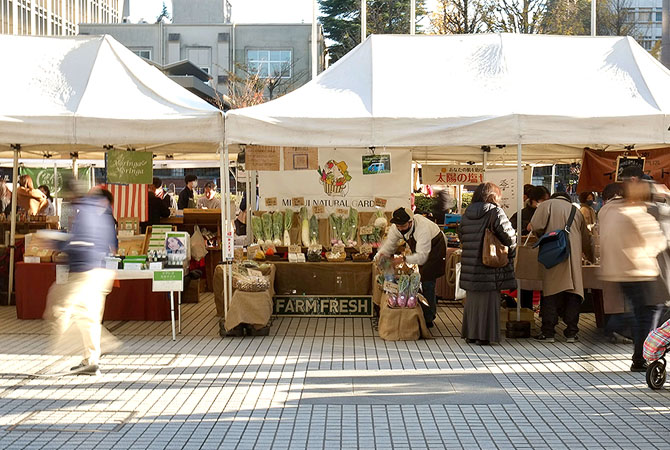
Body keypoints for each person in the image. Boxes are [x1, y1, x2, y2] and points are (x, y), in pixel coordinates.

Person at [42, 181, 119, 376]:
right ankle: (91, 359)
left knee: (59, 309)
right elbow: (110, 242)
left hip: (84, 271)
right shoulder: (103, 214)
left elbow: (79, 243)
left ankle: (103, 343)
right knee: (89, 317)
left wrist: (55, 243)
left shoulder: (84, 213)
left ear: (73, 196)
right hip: (101, 271)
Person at [599, 177, 667, 371]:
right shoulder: (637, 213)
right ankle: (641, 357)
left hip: (620, 271)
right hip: (641, 270)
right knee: (650, 312)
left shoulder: (609, 211)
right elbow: (657, 243)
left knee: (639, 312)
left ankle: (632, 346)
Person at [530, 192, 593, 343]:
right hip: (573, 257)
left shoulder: (546, 206)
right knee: (573, 293)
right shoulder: (576, 211)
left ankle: (548, 332)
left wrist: (544, 237)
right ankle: (571, 332)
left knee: (551, 292)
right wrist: (591, 257)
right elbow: (586, 238)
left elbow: (536, 226)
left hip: (553, 253)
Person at [458, 182, 517, 345]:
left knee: (473, 301)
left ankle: (471, 334)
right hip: (489, 264)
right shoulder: (495, 212)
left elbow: (461, 235)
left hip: (471, 265)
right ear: (492, 196)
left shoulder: (467, 213)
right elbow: (509, 236)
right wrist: (511, 252)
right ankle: (484, 336)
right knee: (489, 300)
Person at [377, 207, 447, 328]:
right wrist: (380, 256)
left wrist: (402, 259)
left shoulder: (423, 229)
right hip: (419, 246)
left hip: (435, 246)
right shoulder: (396, 227)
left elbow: (421, 258)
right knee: (420, 279)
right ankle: (418, 311)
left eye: (402, 226)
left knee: (428, 280)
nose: (400, 228)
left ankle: (429, 317)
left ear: (411, 222)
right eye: (397, 225)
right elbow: (389, 245)